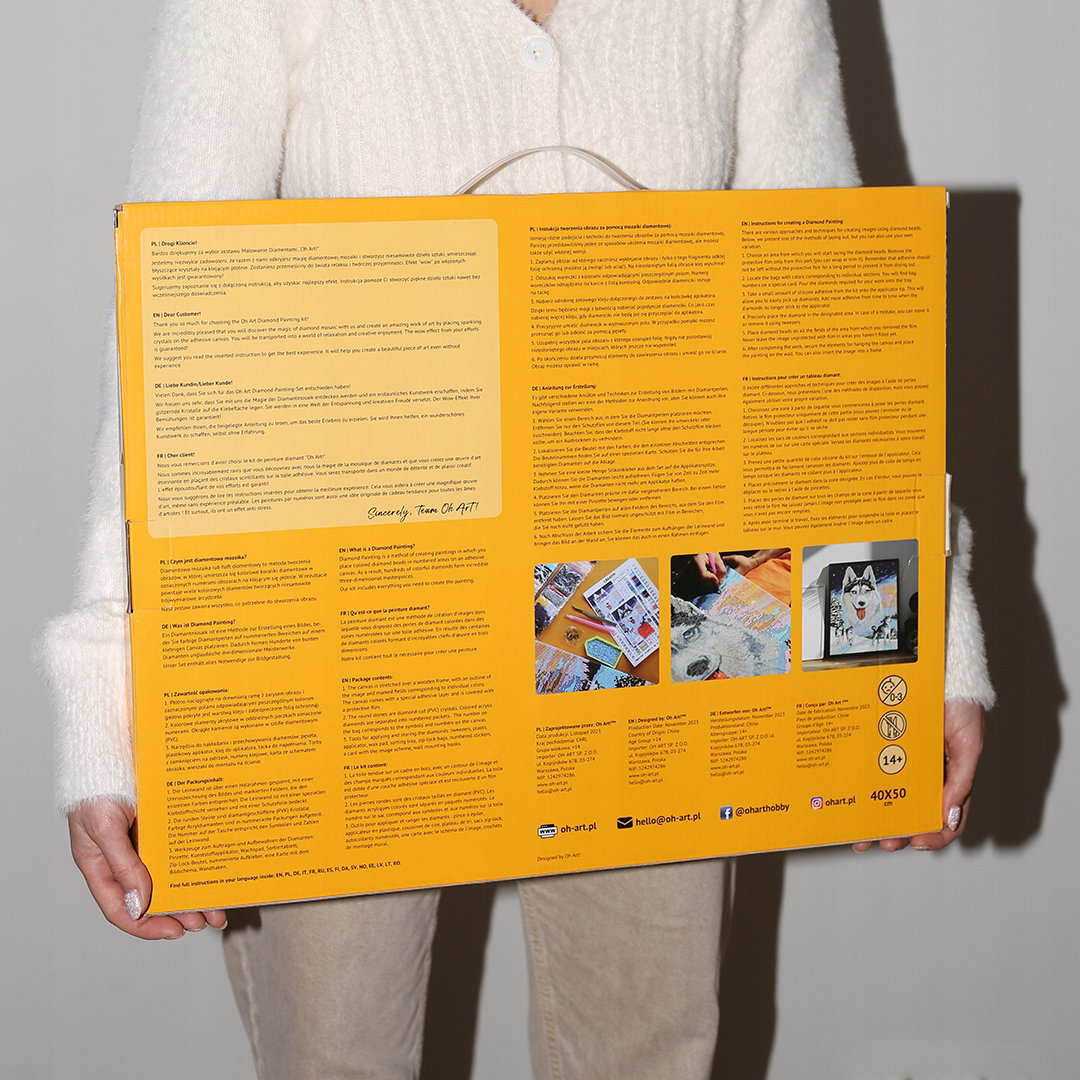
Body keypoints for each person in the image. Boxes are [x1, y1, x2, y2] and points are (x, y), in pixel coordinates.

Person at [41, 1, 995, 1077]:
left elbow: (829, 316)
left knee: (648, 1048)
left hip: (648, 614)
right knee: (337, 1053)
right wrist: (107, 697)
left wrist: (933, 636)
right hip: (351, 629)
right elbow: (165, 338)